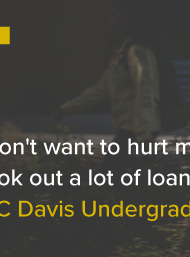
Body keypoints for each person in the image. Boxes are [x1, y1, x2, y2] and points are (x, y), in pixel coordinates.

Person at [52, 0, 161, 171]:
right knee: (126, 179)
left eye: (113, 14)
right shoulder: (119, 54)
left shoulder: (137, 52)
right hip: (129, 129)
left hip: (138, 130)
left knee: (113, 173)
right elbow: (98, 90)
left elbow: (145, 91)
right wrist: (67, 108)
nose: (107, 19)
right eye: (107, 15)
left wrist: (144, 134)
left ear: (126, 18)